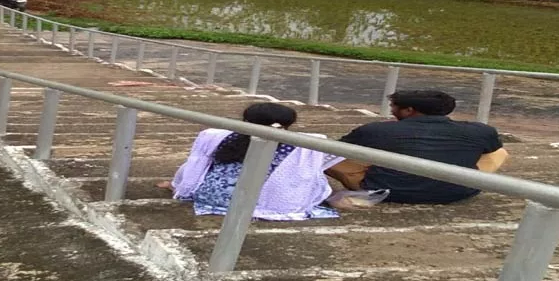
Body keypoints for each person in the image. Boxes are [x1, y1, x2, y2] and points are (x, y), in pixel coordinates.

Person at [157, 103, 345, 220]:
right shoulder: (301, 145)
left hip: (211, 196)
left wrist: (179, 184)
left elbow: (195, 165)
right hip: (260, 204)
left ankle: (174, 185)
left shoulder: (220, 136)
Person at [326, 90, 509, 204]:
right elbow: (489, 152)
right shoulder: (480, 130)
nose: (392, 110)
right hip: (458, 192)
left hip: (387, 190)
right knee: (499, 152)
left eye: (394, 107)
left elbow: (337, 150)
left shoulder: (376, 129)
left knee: (319, 151)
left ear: (409, 110)